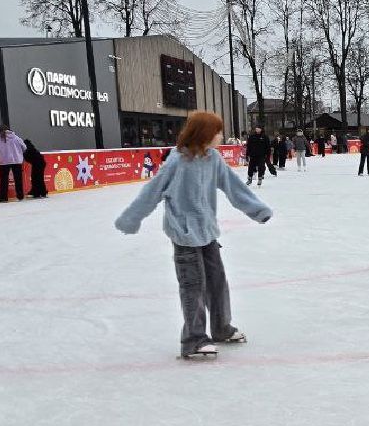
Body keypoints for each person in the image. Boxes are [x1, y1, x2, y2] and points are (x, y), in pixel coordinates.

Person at [115, 110, 273, 360]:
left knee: (217, 282)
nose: (221, 136)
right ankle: (193, 339)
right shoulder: (177, 162)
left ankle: (221, 328)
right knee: (193, 286)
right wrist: (131, 219)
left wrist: (257, 210)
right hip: (184, 234)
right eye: (218, 131)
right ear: (204, 133)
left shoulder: (214, 159)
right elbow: (152, 192)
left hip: (208, 232)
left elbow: (234, 187)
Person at [0, 124, 27, 202]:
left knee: (4, 180)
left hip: (4, 161)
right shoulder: (16, 137)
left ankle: (3, 198)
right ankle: (20, 196)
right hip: (16, 161)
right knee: (18, 179)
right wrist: (18, 152)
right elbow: (24, 147)